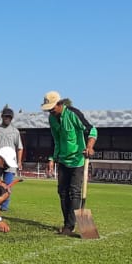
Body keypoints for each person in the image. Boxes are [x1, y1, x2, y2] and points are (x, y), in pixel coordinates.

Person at [41, 90, 97, 237]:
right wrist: (52, 158)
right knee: (62, 192)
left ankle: (70, 226)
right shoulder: (52, 119)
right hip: (62, 160)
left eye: (52, 109)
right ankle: (68, 224)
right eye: (48, 110)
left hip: (78, 160)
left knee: (75, 192)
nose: (51, 112)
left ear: (60, 104)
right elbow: (55, 140)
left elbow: (92, 130)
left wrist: (90, 146)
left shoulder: (73, 114)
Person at [0, 106, 24, 211]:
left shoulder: (15, 132)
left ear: (12, 118)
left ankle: (4, 206)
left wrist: (19, 162)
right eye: (5, 116)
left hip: (10, 164)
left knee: (7, 185)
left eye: (9, 117)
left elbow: (20, 148)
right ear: (2, 117)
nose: (7, 118)